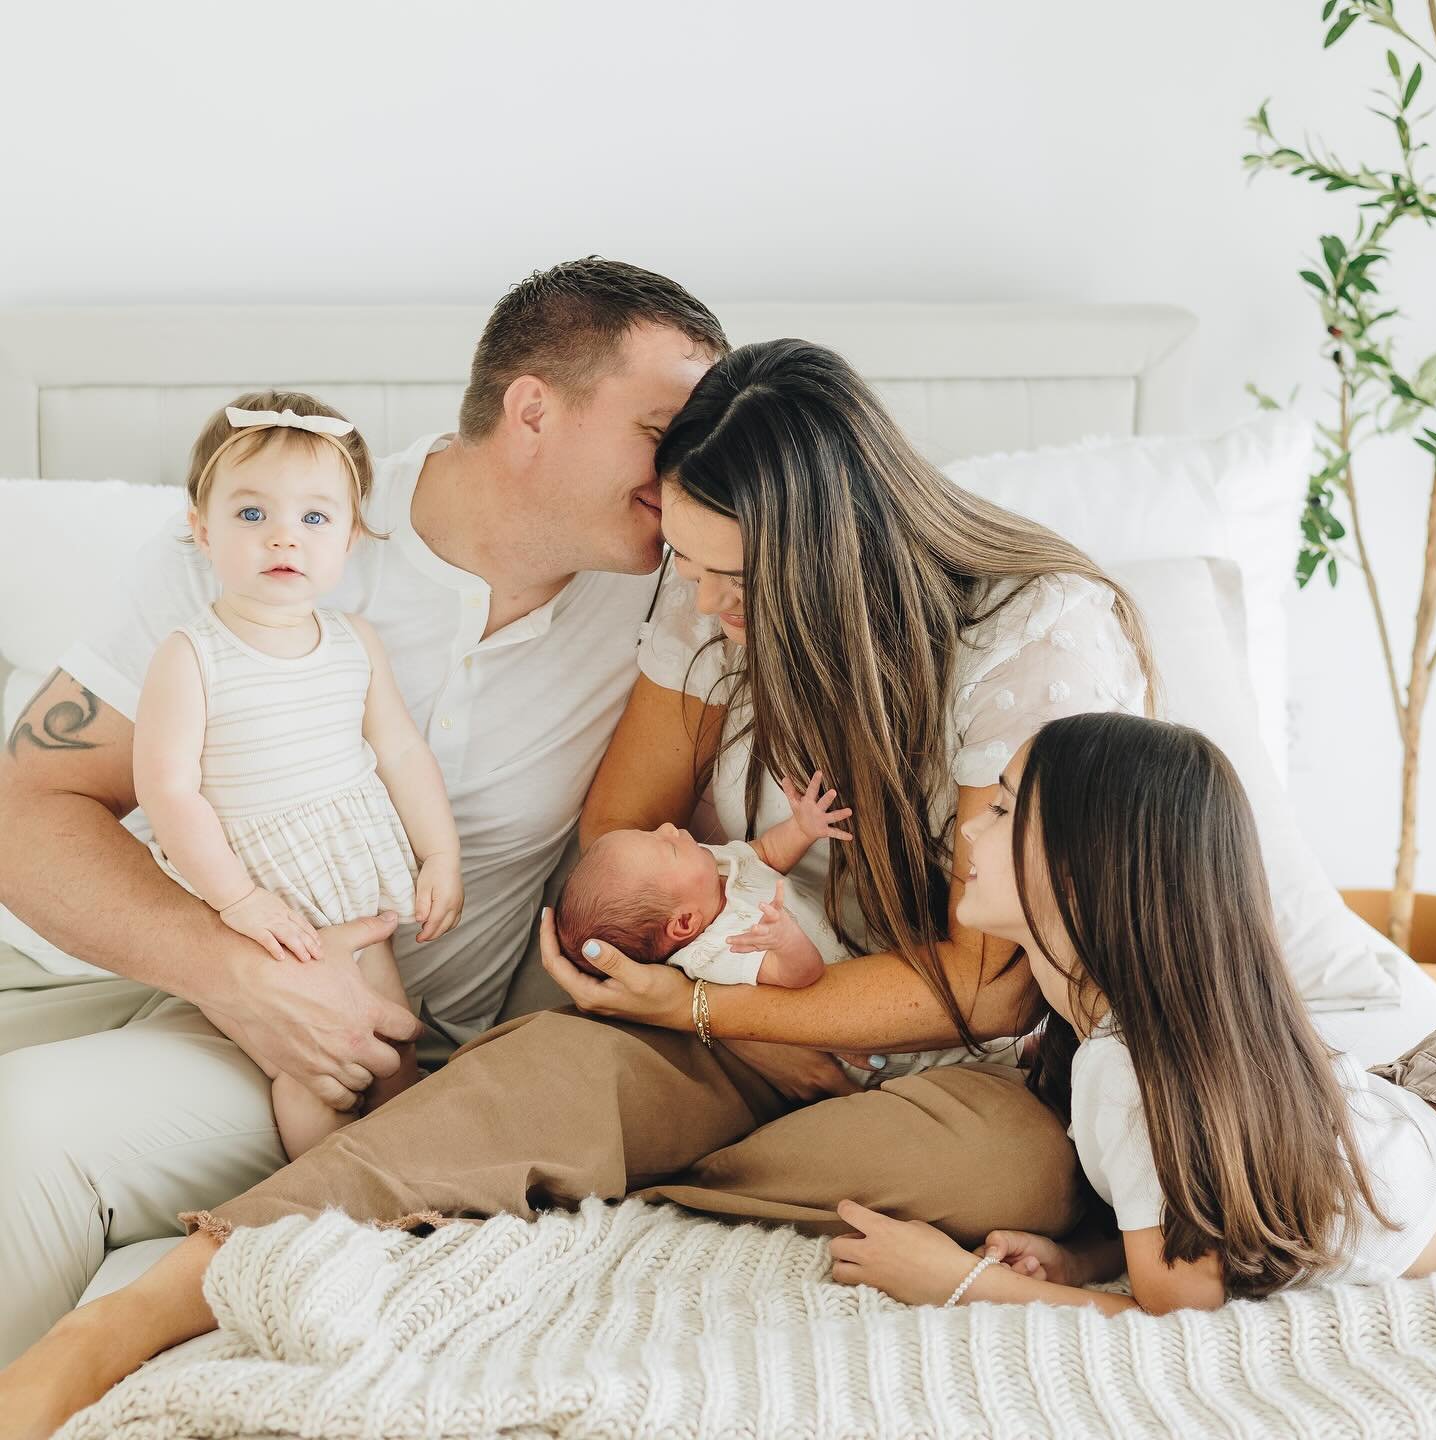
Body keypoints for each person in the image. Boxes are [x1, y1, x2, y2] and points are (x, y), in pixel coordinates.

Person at [0, 338, 1161, 1435]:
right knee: (536, 1078)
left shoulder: (1037, 634)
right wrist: (713, 1012)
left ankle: (582, 1179)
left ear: (830, 555)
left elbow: (992, 982)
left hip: (930, 1056)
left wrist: (729, 1012)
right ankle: (136, 1316)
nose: (703, 602)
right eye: (690, 567)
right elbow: (620, 827)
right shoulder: (701, 599)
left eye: (729, 576)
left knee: (1006, 1169)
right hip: (709, 1022)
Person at [0, 258, 728, 1360]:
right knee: (27, 1123)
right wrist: (235, 976)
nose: (690, 469)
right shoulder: (283, 532)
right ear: (533, 408)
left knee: (35, 1129)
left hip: (413, 1050)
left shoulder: (689, 589)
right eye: (663, 428)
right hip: (178, 983)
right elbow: (26, 804)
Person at [829, 714, 1436, 1316]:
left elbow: (1180, 1312)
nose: (968, 833)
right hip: (1405, 1106)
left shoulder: (1130, 1070)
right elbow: (1193, 1218)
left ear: (1080, 868)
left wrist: (956, 1280)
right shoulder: (1117, 1039)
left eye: (1002, 810)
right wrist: (1084, 1262)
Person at [135, 393, 464, 1157]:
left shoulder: (353, 641)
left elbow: (402, 750)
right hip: (257, 896)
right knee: (314, 1069)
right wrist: (241, 900)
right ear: (201, 528)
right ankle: (322, 1199)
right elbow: (168, 790)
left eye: (315, 518)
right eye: (251, 514)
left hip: (348, 876)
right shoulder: (193, 654)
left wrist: (441, 853)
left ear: (350, 537)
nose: (284, 535)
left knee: (393, 1038)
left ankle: (407, 1187)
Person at [553, 769, 855, 988]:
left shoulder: (715, 866)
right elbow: (802, 976)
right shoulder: (716, 951)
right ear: (685, 922)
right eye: (669, 847)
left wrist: (802, 828)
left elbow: (766, 853)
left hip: (858, 967)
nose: (669, 827)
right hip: (843, 1034)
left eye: (652, 832)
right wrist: (784, 941)